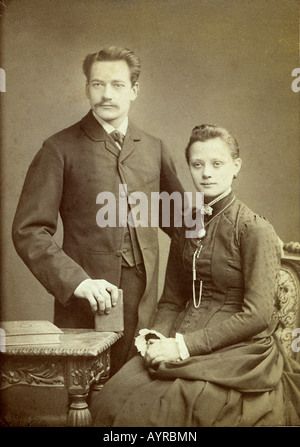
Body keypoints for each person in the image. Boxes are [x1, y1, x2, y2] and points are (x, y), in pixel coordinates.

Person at [91, 124, 300, 427]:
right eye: (197, 164)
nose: (207, 173)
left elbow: (256, 316)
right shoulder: (187, 225)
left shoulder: (254, 229)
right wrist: (157, 337)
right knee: (114, 396)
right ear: (188, 166)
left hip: (239, 351)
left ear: (235, 167)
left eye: (217, 164)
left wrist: (182, 346)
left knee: (175, 409)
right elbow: (172, 299)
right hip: (179, 335)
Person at [12, 46, 183, 375]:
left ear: (134, 90)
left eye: (117, 85)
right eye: (97, 84)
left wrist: (245, 234)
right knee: (90, 401)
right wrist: (78, 282)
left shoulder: (153, 147)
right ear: (86, 88)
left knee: (141, 394)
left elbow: (181, 222)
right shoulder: (58, 148)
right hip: (86, 306)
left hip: (147, 304)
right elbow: (28, 231)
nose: (106, 94)